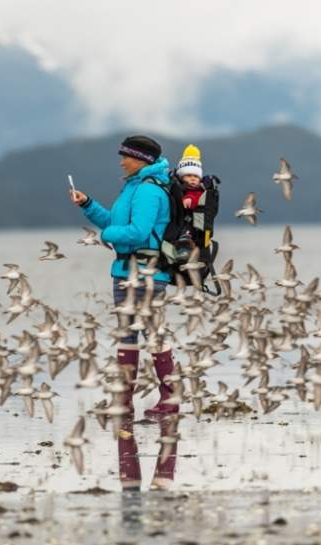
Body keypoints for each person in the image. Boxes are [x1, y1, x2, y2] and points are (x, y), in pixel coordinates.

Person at [70, 135, 180, 490]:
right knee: (132, 338)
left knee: (151, 336)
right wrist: (89, 206)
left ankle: (168, 398)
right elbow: (115, 222)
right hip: (127, 273)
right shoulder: (134, 186)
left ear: (139, 159)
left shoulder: (148, 190)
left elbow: (137, 232)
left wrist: (107, 236)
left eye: (125, 157)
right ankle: (126, 401)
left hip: (144, 274)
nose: (120, 162)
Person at [176, 144, 205, 210]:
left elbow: (198, 197)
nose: (193, 178)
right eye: (189, 175)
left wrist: (190, 199)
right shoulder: (176, 188)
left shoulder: (199, 190)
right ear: (181, 177)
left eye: (196, 176)